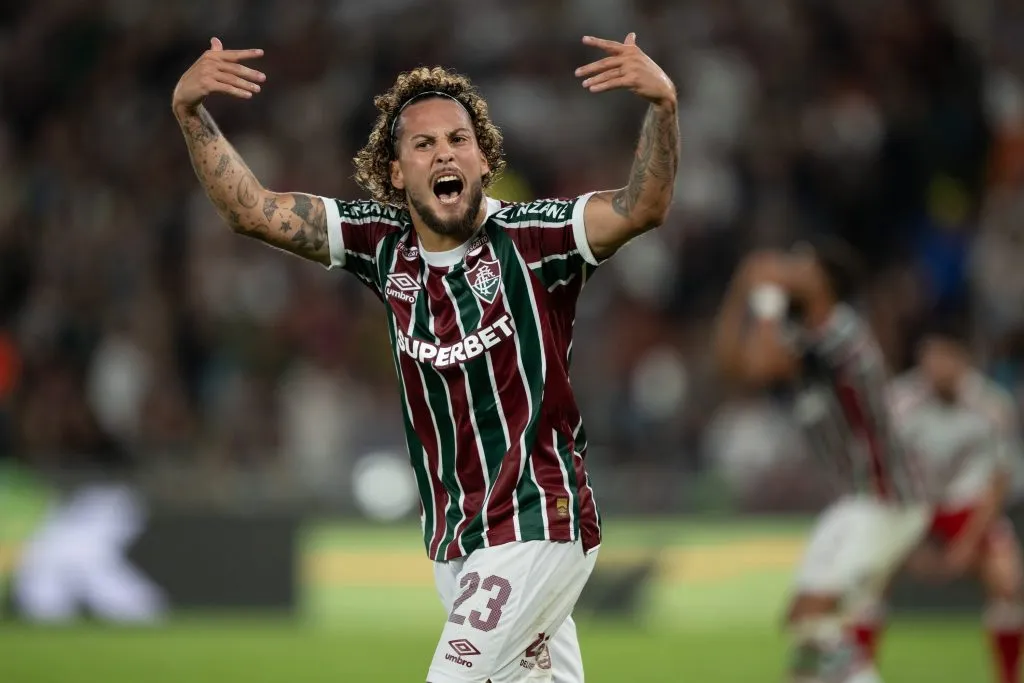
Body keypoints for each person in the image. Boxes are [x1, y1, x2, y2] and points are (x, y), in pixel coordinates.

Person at [171, 33, 678, 683]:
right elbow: (255, 213)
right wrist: (191, 112)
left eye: (459, 139)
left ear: (484, 157)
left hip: (535, 519)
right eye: (424, 143)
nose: (445, 151)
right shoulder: (383, 247)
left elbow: (645, 206)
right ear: (396, 171)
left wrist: (662, 107)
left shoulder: (536, 238)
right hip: (456, 538)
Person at [713, 239, 931, 683]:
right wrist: (741, 292)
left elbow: (766, 361)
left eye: (800, 264)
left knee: (815, 613)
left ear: (824, 282)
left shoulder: (843, 334)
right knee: (806, 623)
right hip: (855, 500)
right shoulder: (803, 336)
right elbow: (734, 363)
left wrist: (767, 298)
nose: (787, 268)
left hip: (890, 498)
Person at [850, 324, 1023, 683]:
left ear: (965, 360)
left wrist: (965, 546)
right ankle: (859, 673)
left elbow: (998, 481)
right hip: (911, 506)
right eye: (932, 356)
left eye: (948, 357)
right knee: (865, 582)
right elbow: (879, 474)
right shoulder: (898, 402)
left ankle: (1007, 677)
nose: (939, 366)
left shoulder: (992, 405)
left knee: (1008, 580)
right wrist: (904, 541)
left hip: (968, 508)